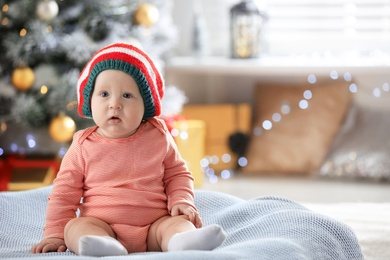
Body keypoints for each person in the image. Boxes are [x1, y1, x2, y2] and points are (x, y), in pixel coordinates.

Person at [31, 42, 226, 256]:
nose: (115, 104)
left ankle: (181, 241)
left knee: (176, 223)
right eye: (104, 94)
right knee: (75, 228)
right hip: (102, 225)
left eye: (127, 95)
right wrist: (54, 233)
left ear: (145, 105)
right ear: (90, 101)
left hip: (155, 227)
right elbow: (63, 194)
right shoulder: (82, 145)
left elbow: (177, 173)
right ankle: (101, 245)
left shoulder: (158, 136)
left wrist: (182, 201)